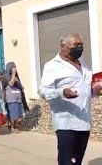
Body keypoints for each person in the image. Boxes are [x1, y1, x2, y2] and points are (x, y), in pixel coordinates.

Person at [38, 33, 92, 165]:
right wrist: (62, 92)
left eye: (81, 45)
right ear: (63, 46)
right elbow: (42, 90)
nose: (80, 48)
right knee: (67, 161)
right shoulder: (52, 66)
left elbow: (86, 87)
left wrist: (96, 90)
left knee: (76, 160)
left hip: (84, 120)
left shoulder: (83, 63)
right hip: (65, 122)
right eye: (76, 45)